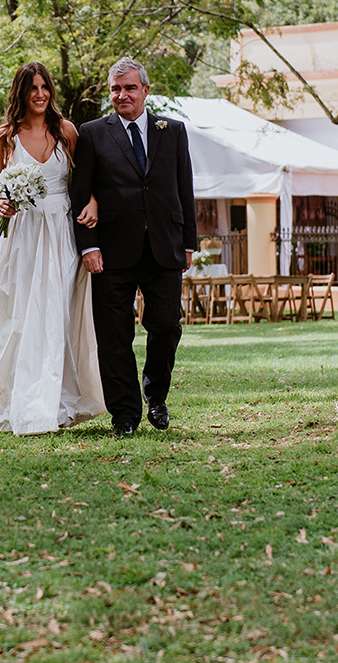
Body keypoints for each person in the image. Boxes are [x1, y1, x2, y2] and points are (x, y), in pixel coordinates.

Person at [0, 63, 107, 435]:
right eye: (32, 88)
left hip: (62, 230)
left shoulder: (66, 132)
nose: (40, 94)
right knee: (20, 315)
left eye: (44, 86)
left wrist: (92, 201)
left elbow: (85, 179)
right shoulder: (5, 137)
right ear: (21, 92)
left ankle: (60, 401)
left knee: (58, 313)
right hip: (23, 234)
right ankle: (19, 402)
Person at [70, 57, 196, 436]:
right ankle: (124, 414)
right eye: (115, 89)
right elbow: (80, 193)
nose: (121, 95)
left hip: (165, 247)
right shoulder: (92, 133)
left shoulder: (172, 130)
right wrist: (88, 247)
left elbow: (184, 189)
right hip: (110, 252)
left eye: (129, 88)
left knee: (166, 325)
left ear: (145, 90)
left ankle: (155, 395)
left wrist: (189, 242)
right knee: (113, 337)